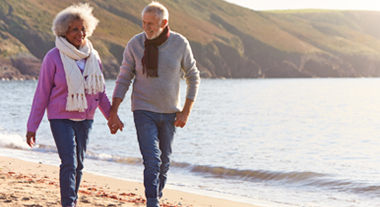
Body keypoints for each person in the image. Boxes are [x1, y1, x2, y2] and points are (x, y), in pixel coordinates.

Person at [107, 1, 200, 207]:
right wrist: (113, 111)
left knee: (164, 162)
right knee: (152, 159)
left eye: (151, 23)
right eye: (144, 22)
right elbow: (124, 78)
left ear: (164, 22)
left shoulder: (179, 43)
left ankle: (155, 196)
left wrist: (186, 111)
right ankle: (152, 202)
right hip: (143, 110)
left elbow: (193, 77)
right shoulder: (135, 44)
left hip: (169, 113)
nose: (146, 27)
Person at [25, 3, 118, 207]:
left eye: (83, 28)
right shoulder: (53, 57)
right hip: (60, 118)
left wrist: (111, 116)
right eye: (74, 28)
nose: (80, 33)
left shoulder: (93, 56)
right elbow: (41, 94)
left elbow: (99, 92)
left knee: (79, 164)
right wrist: (32, 127)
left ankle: (72, 200)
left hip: (86, 119)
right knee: (69, 162)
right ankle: (69, 204)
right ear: (63, 31)